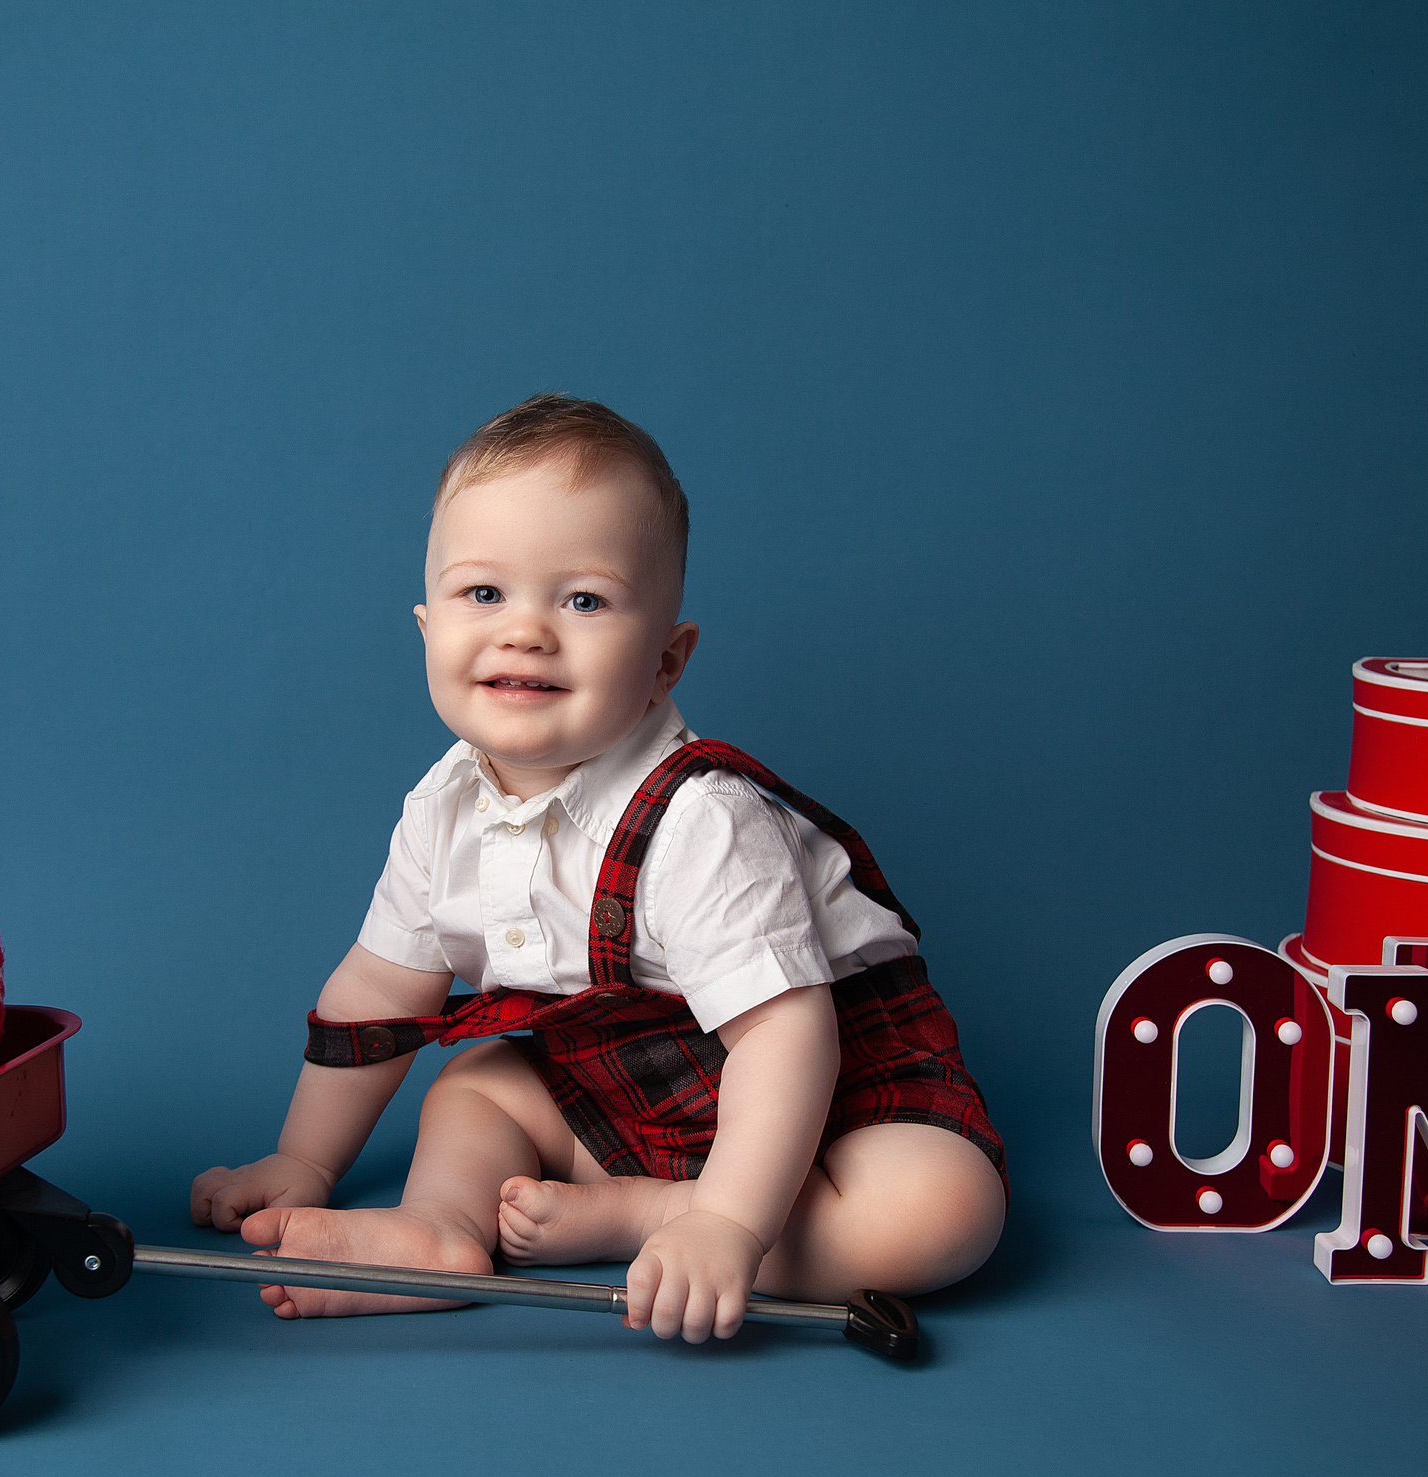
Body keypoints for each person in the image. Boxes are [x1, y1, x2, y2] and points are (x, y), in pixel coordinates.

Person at [190, 395, 1005, 1343]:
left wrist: (724, 1222)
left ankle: (653, 1216)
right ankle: (440, 1230)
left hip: (825, 1092)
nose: (526, 630)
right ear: (425, 629)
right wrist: (305, 1161)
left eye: (583, 599)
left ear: (666, 660)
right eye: (483, 593)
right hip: (627, 1091)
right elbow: (380, 990)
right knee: (480, 1085)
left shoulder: (702, 819)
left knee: (942, 1211)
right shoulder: (441, 809)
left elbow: (788, 1041)